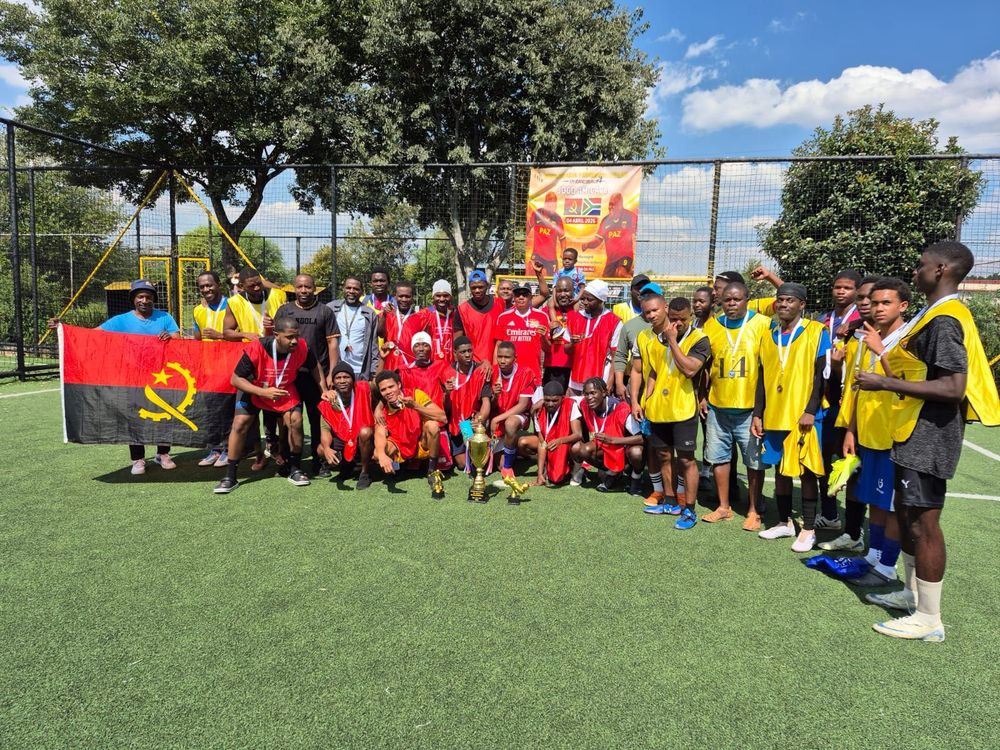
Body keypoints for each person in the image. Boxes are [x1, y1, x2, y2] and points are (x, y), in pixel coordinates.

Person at [856, 241, 999, 642]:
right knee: (907, 515)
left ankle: (929, 617)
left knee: (924, 522)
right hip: (911, 430)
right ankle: (912, 594)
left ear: (941, 270)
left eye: (921, 265)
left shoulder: (946, 319)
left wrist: (884, 382)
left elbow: (953, 387)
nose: (915, 271)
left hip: (930, 435)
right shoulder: (932, 313)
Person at [830, 278, 920, 587]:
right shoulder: (867, 338)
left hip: (895, 437)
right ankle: (873, 555)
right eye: (873, 301)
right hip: (868, 434)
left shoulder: (908, 339)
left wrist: (882, 352)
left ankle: (887, 566)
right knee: (875, 500)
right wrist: (851, 431)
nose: (877, 307)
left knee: (892, 506)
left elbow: (907, 389)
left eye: (885, 302)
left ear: (903, 306)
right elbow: (858, 388)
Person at [52, 279, 182, 475]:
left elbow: (179, 340)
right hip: (131, 379)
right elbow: (92, 335)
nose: (144, 300)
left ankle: (163, 454)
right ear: (133, 299)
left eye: (148, 297)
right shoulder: (120, 320)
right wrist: (62, 329)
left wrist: (170, 337)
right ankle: (138, 459)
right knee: (134, 418)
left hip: (160, 377)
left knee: (163, 415)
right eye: (140, 296)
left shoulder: (165, 317)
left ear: (153, 299)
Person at [751, 282, 831, 552]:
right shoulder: (768, 335)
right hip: (774, 414)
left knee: (806, 471)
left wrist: (811, 410)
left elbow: (822, 375)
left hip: (803, 415)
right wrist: (758, 414)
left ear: (802, 305)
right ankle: (784, 522)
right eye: (781, 300)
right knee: (779, 469)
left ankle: (808, 529)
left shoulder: (817, 331)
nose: (784, 304)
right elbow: (762, 378)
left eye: (790, 300)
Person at [214, 315, 329, 493]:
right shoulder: (257, 347)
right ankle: (230, 476)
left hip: (284, 388)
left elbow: (315, 366)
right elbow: (236, 379)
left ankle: (295, 468)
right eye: (289, 337)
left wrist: (324, 390)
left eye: (296, 336)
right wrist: (262, 392)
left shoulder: (301, 347)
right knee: (240, 423)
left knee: (296, 420)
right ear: (276, 335)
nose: (294, 341)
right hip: (254, 387)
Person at [633, 296, 711, 530]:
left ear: (690, 317)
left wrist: (673, 341)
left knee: (686, 460)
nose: (677, 323)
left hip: (683, 408)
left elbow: (689, 370)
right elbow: (654, 371)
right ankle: (669, 502)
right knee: (664, 456)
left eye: (682, 319)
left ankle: (689, 509)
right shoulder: (653, 339)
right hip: (659, 409)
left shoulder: (699, 339)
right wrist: (646, 400)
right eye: (674, 319)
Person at [700, 281, 771, 528]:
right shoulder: (712, 325)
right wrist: (703, 395)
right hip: (718, 406)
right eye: (727, 300)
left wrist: (761, 409)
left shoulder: (762, 324)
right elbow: (705, 365)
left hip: (750, 409)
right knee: (719, 459)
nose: (731, 304)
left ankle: (754, 510)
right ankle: (724, 507)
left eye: (737, 299)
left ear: (747, 300)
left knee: (753, 462)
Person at [820, 275, 878, 551]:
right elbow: (843, 381)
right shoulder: (853, 336)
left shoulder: (892, 336)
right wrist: (836, 365)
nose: (866, 302)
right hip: (847, 415)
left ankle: (880, 550)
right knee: (847, 471)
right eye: (863, 298)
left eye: (871, 298)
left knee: (873, 481)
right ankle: (851, 533)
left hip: (878, 420)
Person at [276, 274, 341, 476]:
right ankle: (287, 461)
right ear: (294, 288)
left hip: (317, 375)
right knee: (288, 419)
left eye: (308, 287)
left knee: (317, 420)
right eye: (300, 287)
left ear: (315, 288)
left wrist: (332, 372)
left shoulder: (324, 311)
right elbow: (276, 340)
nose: (303, 290)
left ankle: (318, 461)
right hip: (290, 376)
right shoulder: (284, 310)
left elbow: (332, 343)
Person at [815, 269, 864, 529]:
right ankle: (830, 514)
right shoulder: (824, 318)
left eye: (847, 287)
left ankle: (854, 526)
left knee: (852, 462)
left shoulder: (861, 318)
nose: (841, 291)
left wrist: (855, 325)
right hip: (829, 397)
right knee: (826, 458)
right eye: (837, 287)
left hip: (855, 399)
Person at [372, 369, 448, 499]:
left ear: (399, 385)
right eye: (383, 390)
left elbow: (443, 417)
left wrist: (415, 406)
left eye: (391, 387)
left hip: (420, 442)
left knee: (433, 426)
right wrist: (382, 455)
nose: (388, 392)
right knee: (377, 453)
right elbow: (379, 434)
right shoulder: (382, 410)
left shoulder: (416, 394)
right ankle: (397, 468)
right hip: (399, 446)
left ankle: (432, 470)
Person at [191, 271, 234, 467]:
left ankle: (229, 449)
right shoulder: (197, 310)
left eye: (209, 285)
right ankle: (215, 449)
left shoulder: (233, 305)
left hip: (230, 367)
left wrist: (220, 336)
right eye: (202, 286)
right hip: (208, 369)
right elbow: (197, 340)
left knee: (228, 411)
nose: (206, 289)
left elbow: (241, 335)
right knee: (211, 411)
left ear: (218, 284)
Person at [571, 377, 644, 493]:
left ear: (604, 392)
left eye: (593, 393)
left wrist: (613, 440)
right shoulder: (585, 403)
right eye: (586, 394)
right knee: (582, 449)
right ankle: (613, 472)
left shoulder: (620, 408)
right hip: (605, 448)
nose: (589, 397)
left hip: (624, 450)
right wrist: (542, 401)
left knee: (636, 452)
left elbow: (641, 438)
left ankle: (636, 477)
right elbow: (566, 399)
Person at [317, 361, 374, 489]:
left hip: (363, 437)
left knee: (366, 432)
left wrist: (382, 359)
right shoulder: (328, 402)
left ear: (353, 380)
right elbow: (325, 430)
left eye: (346, 377)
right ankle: (347, 466)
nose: (342, 381)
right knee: (321, 449)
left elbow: (381, 382)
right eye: (338, 378)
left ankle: (365, 473)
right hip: (344, 438)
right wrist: (327, 448)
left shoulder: (364, 389)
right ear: (333, 382)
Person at [518, 380, 583, 486]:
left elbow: (578, 434)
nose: (550, 404)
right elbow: (542, 442)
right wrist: (539, 474)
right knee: (522, 442)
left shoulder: (571, 405)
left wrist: (560, 441)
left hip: (566, 442)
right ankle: (544, 465)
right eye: (547, 400)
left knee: (577, 447)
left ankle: (576, 469)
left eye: (555, 400)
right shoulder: (538, 409)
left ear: (562, 398)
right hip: (548, 442)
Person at [490, 341, 539, 481]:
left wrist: (497, 419)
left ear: (515, 358)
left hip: (518, 415)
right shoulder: (491, 371)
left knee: (510, 423)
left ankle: (508, 466)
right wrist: (495, 396)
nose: (502, 360)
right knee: (496, 464)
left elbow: (523, 405)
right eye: (500, 356)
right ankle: (514, 449)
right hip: (495, 418)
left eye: (507, 357)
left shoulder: (526, 373)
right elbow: (489, 404)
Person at [566, 280, 622, 395]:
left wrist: (610, 381)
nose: (585, 302)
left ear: (601, 300)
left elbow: (615, 356)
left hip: (600, 382)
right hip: (576, 381)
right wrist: (572, 343)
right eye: (583, 299)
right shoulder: (574, 319)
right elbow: (566, 349)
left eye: (590, 299)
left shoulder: (614, 321)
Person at [445, 336, 492, 471]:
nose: (467, 355)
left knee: (479, 462)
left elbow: (486, 401)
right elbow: (445, 407)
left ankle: (483, 449)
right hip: (455, 423)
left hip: (472, 421)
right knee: (462, 464)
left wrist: (480, 420)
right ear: (455, 354)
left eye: (469, 351)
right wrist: (447, 394)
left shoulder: (481, 371)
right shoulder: (447, 372)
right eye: (463, 352)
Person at [612, 279, 657, 405]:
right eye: (644, 296)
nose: (647, 299)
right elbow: (620, 355)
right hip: (636, 387)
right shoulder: (629, 326)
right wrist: (619, 383)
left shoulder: (671, 326)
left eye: (652, 296)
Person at [494, 283, 550, 381]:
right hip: (508, 374)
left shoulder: (542, 316)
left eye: (524, 294)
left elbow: (547, 349)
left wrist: (543, 337)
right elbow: (498, 346)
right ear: (513, 297)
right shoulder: (503, 317)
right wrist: (496, 374)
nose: (521, 297)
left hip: (532, 373)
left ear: (530, 297)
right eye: (517, 294)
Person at [328, 276, 380, 380]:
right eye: (348, 288)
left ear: (361, 292)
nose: (351, 291)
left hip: (361, 371)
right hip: (337, 371)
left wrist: (374, 371)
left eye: (356, 289)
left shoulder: (369, 313)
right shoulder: (331, 309)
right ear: (343, 289)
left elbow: (374, 345)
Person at [224, 266, 287, 340]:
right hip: (251, 346)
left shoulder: (278, 295)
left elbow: (290, 324)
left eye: (259, 284)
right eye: (252, 286)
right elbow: (226, 333)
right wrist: (245, 334)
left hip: (275, 345)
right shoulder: (234, 302)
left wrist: (277, 324)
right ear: (242, 286)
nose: (257, 288)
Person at [583, 192, 636, 278]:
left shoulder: (630, 217)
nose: (610, 207)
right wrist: (588, 244)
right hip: (611, 261)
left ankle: (635, 281)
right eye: (609, 204)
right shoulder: (605, 221)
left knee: (620, 273)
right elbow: (597, 241)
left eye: (613, 204)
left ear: (620, 205)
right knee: (605, 281)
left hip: (625, 256)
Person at [457, 270, 505, 365]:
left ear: (487, 286)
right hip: (473, 365)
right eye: (473, 288)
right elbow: (457, 342)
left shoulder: (500, 304)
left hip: (498, 364)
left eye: (480, 287)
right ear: (469, 287)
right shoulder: (462, 310)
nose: (477, 290)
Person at [412, 279, 464, 362]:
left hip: (451, 364)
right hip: (431, 365)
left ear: (451, 297)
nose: (442, 299)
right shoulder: (424, 315)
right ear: (433, 296)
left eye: (445, 295)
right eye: (438, 296)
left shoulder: (457, 314)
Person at [399, 332, 450, 410]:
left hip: (435, 413)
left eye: (425, 345)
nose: (421, 349)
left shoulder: (441, 366)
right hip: (414, 413)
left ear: (431, 348)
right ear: (412, 349)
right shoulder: (403, 370)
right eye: (416, 345)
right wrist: (379, 407)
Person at [543, 277, 577, 391]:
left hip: (575, 367)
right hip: (552, 366)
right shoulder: (546, 311)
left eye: (566, 290)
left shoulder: (579, 311)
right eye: (559, 291)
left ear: (573, 291)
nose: (562, 294)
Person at [379, 280, 420, 370]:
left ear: (413, 297)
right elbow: (381, 334)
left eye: (407, 296)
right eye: (401, 296)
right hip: (390, 363)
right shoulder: (388, 315)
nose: (404, 299)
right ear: (395, 296)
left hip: (411, 365)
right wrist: (384, 316)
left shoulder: (419, 317)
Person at [712, 268, 783, 316]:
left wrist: (769, 276)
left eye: (717, 288)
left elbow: (788, 297)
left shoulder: (756, 307)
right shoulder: (718, 317)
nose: (713, 293)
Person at [527, 191, 566, 274]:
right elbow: (528, 227)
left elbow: (562, 238)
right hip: (537, 255)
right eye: (550, 204)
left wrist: (563, 251)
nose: (552, 206)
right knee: (532, 273)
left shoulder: (557, 219)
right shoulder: (537, 214)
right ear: (545, 203)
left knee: (553, 279)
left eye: (554, 204)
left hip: (551, 258)